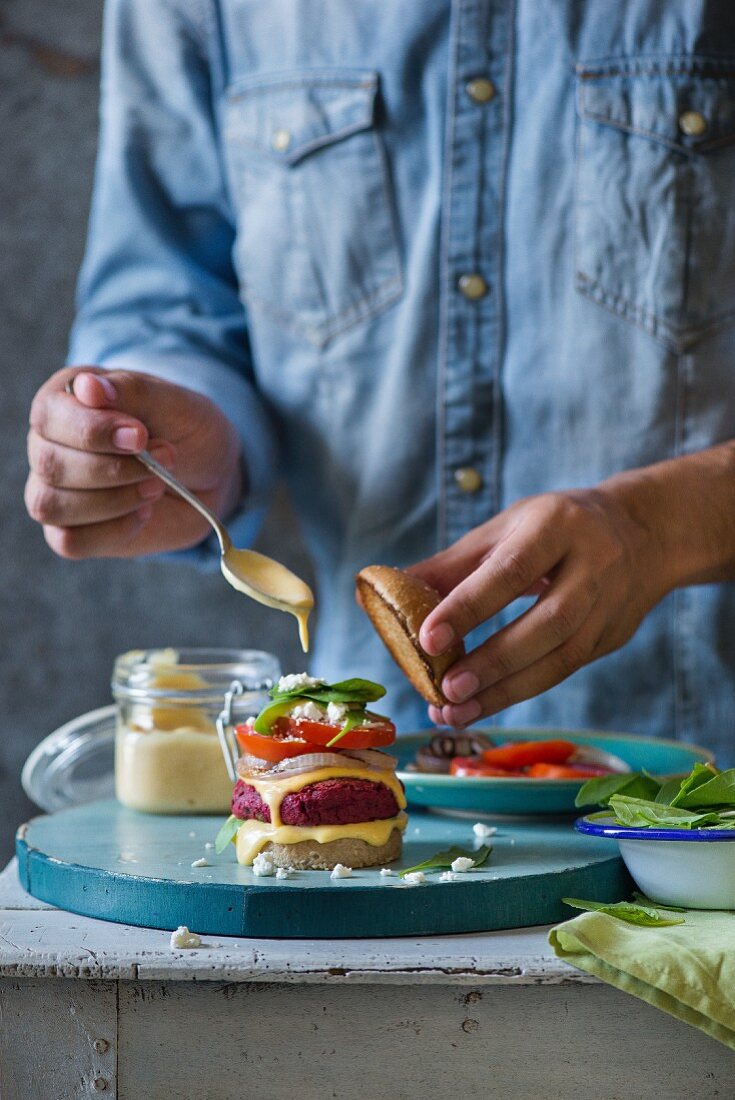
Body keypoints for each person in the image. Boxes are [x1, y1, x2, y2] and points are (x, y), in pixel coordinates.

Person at [24, 1, 735, 761]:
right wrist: (170, 441)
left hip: (701, 780)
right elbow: (169, 297)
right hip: (365, 768)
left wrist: (654, 526)